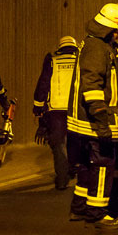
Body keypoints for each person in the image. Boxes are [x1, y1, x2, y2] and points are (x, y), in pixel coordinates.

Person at [67, 3, 118, 230]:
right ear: (112, 28)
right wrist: (101, 118)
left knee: (86, 165)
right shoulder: (97, 48)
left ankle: (79, 208)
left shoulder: (93, 44)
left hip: (82, 121)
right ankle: (97, 213)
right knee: (103, 165)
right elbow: (91, 84)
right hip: (95, 121)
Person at [32, 36, 78, 190]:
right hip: (77, 109)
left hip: (56, 109)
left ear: (60, 47)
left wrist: (38, 108)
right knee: (76, 141)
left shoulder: (52, 60)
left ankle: (62, 179)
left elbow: (43, 83)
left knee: (59, 144)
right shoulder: (81, 60)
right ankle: (73, 169)